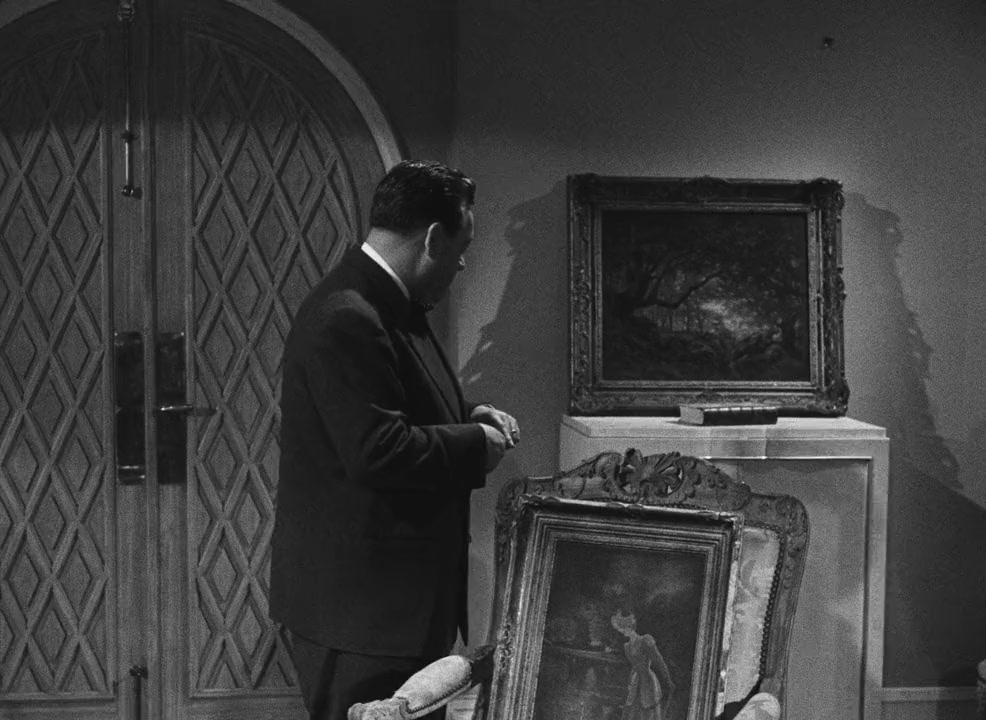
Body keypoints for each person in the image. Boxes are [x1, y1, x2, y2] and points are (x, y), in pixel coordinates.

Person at [270, 160, 520, 720]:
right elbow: (376, 449)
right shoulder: (349, 314)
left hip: (390, 607)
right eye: (462, 246)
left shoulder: (387, 301)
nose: (463, 263)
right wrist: (474, 444)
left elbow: (394, 401)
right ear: (432, 238)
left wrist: (468, 414)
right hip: (361, 615)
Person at [610, 609, 675, 720]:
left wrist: (668, 680)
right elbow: (634, 667)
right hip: (635, 681)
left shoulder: (645, 640)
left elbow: (659, 661)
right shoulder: (627, 646)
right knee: (630, 712)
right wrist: (630, 683)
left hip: (648, 681)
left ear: (628, 627)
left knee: (648, 712)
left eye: (621, 628)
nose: (620, 631)